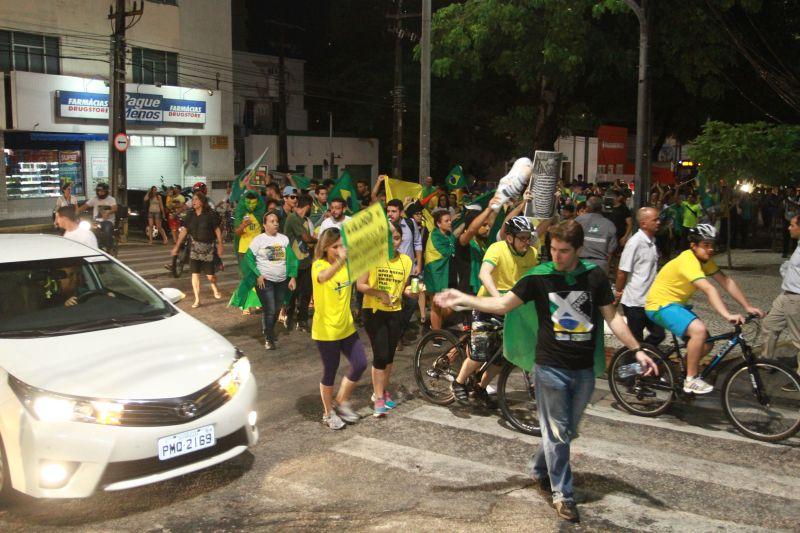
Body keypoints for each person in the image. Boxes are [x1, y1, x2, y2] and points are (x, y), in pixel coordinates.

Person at [434, 220, 658, 523]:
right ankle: (563, 494)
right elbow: (502, 304)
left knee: (566, 431)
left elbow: (614, 319)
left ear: (579, 249)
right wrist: (462, 299)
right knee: (557, 433)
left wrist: (637, 349)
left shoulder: (594, 277)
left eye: (564, 251)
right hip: (549, 368)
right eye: (552, 249)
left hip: (583, 371)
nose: (557, 256)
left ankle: (540, 468)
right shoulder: (538, 277)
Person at [645, 224, 764, 394]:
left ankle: (682, 374)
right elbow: (709, 289)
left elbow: (726, 281)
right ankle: (691, 380)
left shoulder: (705, 261)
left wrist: (747, 306)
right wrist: (727, 315)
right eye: (706, 245)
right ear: (693, 245)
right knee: (699, 331)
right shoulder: (688, 261)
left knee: (707, 344)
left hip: (676, 305)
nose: (711, 249)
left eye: (713, 245)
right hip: (659, 305)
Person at [452, 216, 539, 407]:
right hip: (487, 305)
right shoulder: (497, 248)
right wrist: (498, 298)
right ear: (510, 238)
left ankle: (480, 388)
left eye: (528, 238)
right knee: (479, 352)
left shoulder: (532, 253)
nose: (526, 242)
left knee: (502, 356)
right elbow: (484, 274)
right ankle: (458, 383)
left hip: (512, 309)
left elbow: (533, 281)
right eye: (522, 238)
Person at [312, 228, 368, 430]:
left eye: (341, 246)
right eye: (335, 247)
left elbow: (365, 269)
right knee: (330, 371)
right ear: (325, 247)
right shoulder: (318, 265)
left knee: (360, 363)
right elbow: (324, 277)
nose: (339, 250)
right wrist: (340, 260)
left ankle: (341, 400)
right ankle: (328, 414)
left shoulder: (346, 266)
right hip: (326, 331)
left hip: (346, 327)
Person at [357, 221, 414, 416]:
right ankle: (378, 397)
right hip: (374, 311)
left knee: (389, 355)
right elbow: (360, 285)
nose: (393, 242)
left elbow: (403, 288)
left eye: (396, 238)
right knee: (380, 355)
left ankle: (381, 391)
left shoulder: (406, 261)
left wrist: (413, 291)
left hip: (395, 311)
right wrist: (378, 293)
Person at [231, 210, 298, 350]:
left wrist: (292, 277)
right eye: (271, 221)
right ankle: (268, 338)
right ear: (264, 224)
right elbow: (249, 258)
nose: (275, 224)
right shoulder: (258, 240)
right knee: (270, 309)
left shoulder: (284, 239)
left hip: (281, 281)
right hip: (265, 281)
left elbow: (291, 259)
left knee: (278, 308)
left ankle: (269, 330)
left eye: (276, 221)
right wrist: (258, 274)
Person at [614, 207, 665, 346]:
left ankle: (644, 357)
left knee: (659, 334)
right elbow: (622, 271)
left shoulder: (653, 241)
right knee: (635, 340)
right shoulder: (635, 243)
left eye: (658, 219)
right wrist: (618, 293)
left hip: (650, 300)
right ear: (643, 224)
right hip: (634, 302)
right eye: (655, 220)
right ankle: (629, 364)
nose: (658, 222)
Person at [761, 215, 800, 377]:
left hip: (796, 298)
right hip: (785, 295)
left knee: (798, 339)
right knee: (769, 324)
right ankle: (765, 361)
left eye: (792, 225)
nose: (788, 228)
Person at [171, 192, 223, 308]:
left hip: (208, 249)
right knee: (195, 274)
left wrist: (220, 244)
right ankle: (197, 299)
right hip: (194, 248)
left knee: (210, 276)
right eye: (193, 199)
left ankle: (214, 287)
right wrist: (177, 246)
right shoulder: (190, 215)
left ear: (201, 202)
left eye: (195, 199)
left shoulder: (210, 215)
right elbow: (184, 230)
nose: (193, 201)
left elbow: (217, 230)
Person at [284, 194, 317, 331]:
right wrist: (321, 241)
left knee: (306, 292)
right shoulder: (293, 218)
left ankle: (302, 320)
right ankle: (289, 317)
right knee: (293, 293)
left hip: (306, 262)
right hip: (294, 263)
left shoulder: (304, 220)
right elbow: (307, 239)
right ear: (308, 206)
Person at [424, 209, 456, 332]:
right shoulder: (435, 235)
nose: (449, 223)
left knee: (450, 305)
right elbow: (448, 252)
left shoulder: (448, 234)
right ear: (438, 223)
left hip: (446, 273)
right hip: (435, 273)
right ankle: (436, 334)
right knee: (436, 306)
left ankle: (435, 325)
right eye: (446, 221)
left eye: (450, 220)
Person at [575, 196, 617, 274]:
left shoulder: (578, 220)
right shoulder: (609, 225)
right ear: (601, 208)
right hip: (600, 266)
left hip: (579, 265)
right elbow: (611, 251)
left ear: (587, 208)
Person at [78, 182, 117, 250]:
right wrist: (75, 212)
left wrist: (108, 213)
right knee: (86, 231)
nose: (100, 192)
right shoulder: (94, 199)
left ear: (106, 191)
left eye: (102, 191)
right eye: (98, 191)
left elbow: (115, 208)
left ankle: (108, 247)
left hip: (108, 221)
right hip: (95, 221)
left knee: (107, 230)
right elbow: (85, 206)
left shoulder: (111, 199)